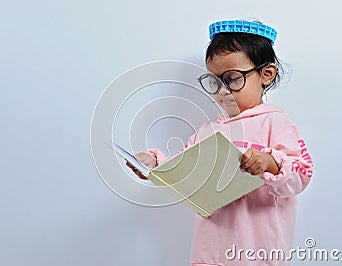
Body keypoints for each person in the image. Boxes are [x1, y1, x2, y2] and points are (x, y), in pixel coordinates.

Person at [127, 19, 313, 266]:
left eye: (232, 79)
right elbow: (186, 170)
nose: (221, 90)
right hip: (210, 253)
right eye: (214, 81)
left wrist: (269, 163)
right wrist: (156, 165)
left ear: (266, 74)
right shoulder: (209, 129)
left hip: (256, 252)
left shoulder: (275, 123)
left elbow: (302, 173)